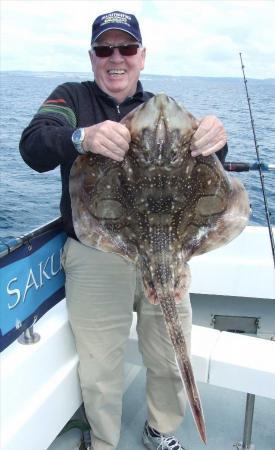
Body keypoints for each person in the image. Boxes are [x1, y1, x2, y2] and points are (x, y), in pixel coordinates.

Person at [20, 11, 228, 450]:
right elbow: (35, 144)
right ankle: (104, 442)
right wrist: (82, 138)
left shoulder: (162, 111)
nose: (116, 58)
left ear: (142, 56)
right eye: (104, 49)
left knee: (171, 353)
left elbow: (210, 170)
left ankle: (160, 430)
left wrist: (217, 139)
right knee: (100, 366)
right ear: (93, 56)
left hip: (169, 250)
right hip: (98, 251)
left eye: (127, 48)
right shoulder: (72, 98)